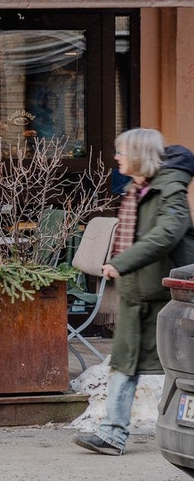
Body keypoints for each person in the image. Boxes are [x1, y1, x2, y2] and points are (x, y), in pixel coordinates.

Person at [75, 128, 194, 455]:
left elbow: (166, 234)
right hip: (136, 294)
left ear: (140, 155)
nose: (117, 157)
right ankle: (113, 434)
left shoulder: (169, 191)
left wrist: (121, 261)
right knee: (124, 365)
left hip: (166, 300)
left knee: (183, 368)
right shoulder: (137, 189)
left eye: (122, 152)